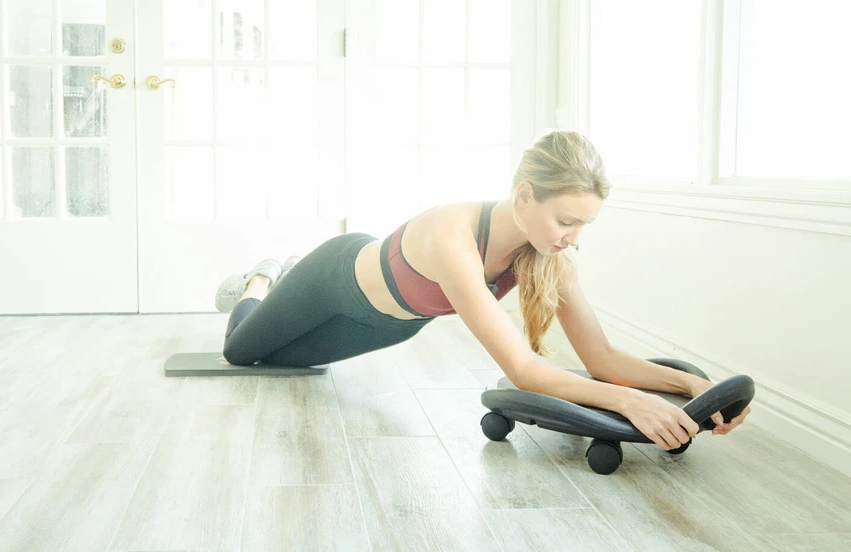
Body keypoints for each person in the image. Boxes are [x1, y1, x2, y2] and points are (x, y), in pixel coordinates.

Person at [215, 131, 750, 451]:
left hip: (389, 323)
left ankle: (269, 285)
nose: (575, 238)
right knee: (242, 353)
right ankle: (263, 278)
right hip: (334, 277)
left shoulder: (551, 259)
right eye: (567, 220)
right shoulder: (454, 235)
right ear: (524, 196)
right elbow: (525, 372)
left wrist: (694, 386)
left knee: (289, 364)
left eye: (584, 225)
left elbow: (602, 357)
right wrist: (632, 402)